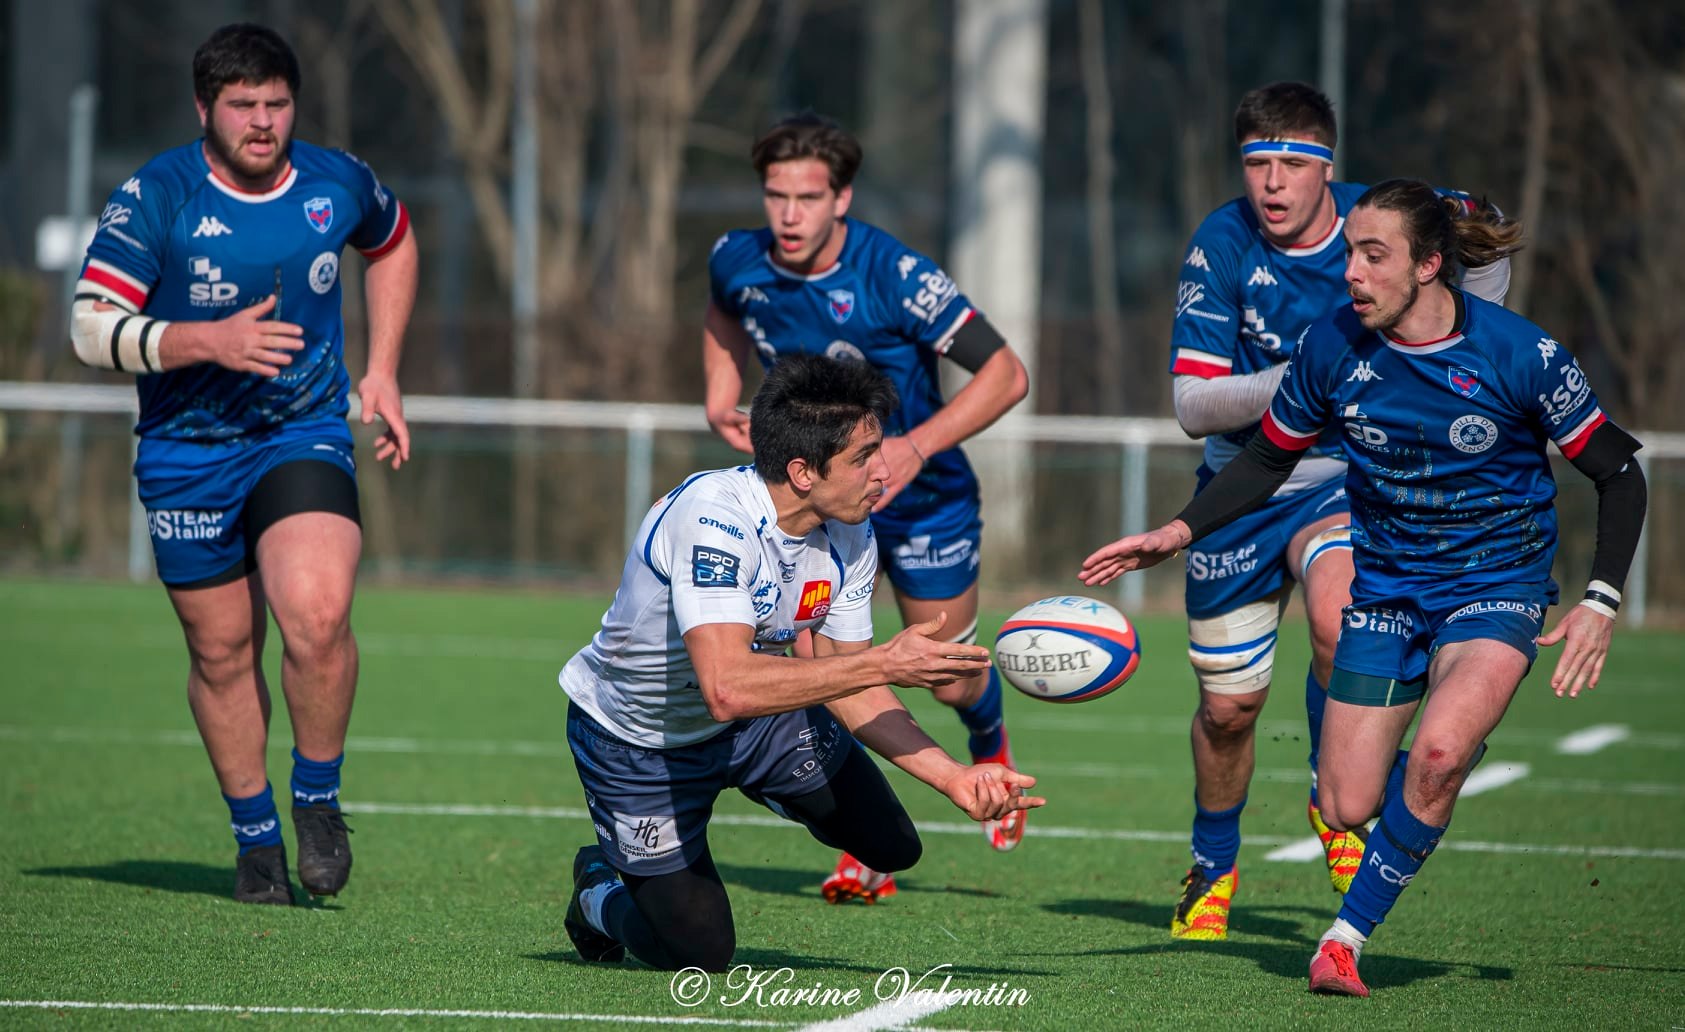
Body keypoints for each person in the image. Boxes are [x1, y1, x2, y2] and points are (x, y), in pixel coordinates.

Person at [1082, 178, 1646, 996]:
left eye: (1370, 254)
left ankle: (1342, 939)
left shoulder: (1519, 353)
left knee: (1441, 754)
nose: (1349, 271)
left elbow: (1618, 474)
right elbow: (1270, 457)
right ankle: (1426, 774)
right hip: (1386, 592)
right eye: (1348, 251)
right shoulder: (1330, 345)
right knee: (1346, 806)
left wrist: (1598, 601)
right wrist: (1177, 530)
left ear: (1426, 265)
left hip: (1497, 584)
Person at [69, 23, 416, 905]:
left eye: (276, 104)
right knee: (223, 653)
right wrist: (203, 340)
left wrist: (381, 370)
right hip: (186, 450)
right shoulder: (158, 195)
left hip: (300, 432)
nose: (262, 123)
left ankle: (317, 800)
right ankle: (255, 840)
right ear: (205, 110)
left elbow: (393, 240)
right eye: (242, 107)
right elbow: (88, 328)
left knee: (318, 614)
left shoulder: (336, 181)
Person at [1161, 81, 1513, 939]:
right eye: (1255, 163)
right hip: (1242, 485)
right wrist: (1327, 370)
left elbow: (1487, 256)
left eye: (1291, 163)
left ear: (1328, 166)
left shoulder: (1380, 224)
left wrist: (1454, 335)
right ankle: (1212, 862)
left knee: (1338, 611)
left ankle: (1331, 797)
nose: (1271, 183)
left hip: (1342, 480)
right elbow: (1193, 406)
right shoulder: (1221, 241)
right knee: (1227, 710)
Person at [560, 354, 1043, 972]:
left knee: (891, 845)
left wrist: (955, 777)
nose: (882, 470)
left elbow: (852, 684)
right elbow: (728, 688)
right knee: (696, 953)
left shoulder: (851, 533)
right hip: (638, 744)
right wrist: (884, 663)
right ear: (802, 472)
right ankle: (599, 889)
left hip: (759, 722)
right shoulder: (714, 520)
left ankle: (776, 786)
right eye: (863, 457)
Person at [701, 113, 1032, 898]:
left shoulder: (896, 275)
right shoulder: (736, 258)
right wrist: (719, 393)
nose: (787, 214)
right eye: (775, 195)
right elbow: (723, 313)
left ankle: (987, 734)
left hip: (923, 501)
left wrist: (915, 446)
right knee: (823, 664)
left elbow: (1005, 375)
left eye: (807, 197)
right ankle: (864, 840)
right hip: (820, 497)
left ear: (840, 198)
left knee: (946, 678)